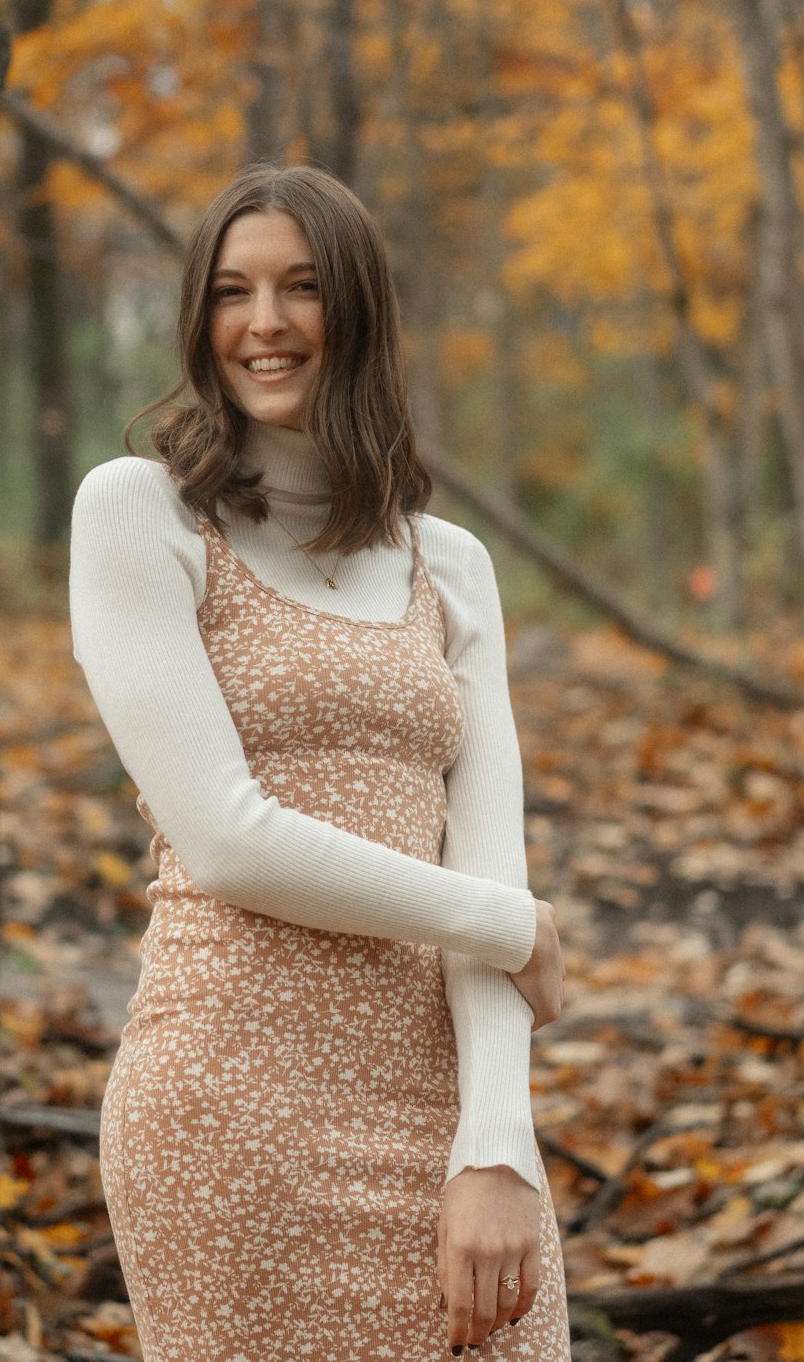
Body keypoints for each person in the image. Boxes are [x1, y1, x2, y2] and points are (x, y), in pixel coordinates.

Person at [69, 163, 570, 1361]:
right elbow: (228, 837)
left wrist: (497, 1145)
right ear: (199, 319)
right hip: (228, 1108)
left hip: (440, 1098)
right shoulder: (140, 511)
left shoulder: (448, 564)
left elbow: (487, 845)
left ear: (357, 310)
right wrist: (512, 925)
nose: (265, 324)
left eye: (300, 287)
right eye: (232, 292)